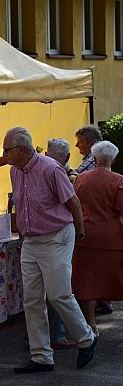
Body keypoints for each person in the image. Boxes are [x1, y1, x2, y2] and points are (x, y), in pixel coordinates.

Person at [3, 127, 97, 374]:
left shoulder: (50, 168)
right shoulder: (15, 170)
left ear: (21, 149)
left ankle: (86, 337)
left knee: (58, 294)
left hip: (56, 236)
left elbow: (73, 202)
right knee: (32, 299)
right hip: (32, 241)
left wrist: (79, 232)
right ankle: (41, 356)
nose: (4, 155)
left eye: (7, 150)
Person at [72, 140, 123, 337]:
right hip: (113, 239)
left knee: (88, 281)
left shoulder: (81, 179)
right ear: (114, 159)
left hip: (86, 237)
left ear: (94, 158)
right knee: (116, 278)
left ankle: (90, 323)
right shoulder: (119, 180)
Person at [43, 138, 77, 349]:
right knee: (59, 290)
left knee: (40, 293)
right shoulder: (57, 172)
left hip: (38, 237)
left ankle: (38, 335)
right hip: (55, 236)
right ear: (67, 157)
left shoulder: (39, 169)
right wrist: (80, 229)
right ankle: (61, 335)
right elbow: (73, 202)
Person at [74, 126, 112, 315]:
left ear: (91, 145)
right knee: (101, 268)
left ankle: (92, 319)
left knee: (90, 271)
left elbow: (75, 180)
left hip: (90, 226)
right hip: (104, 229)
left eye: (80, 142)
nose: (77, 145)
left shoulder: (88, 169)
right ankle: (102, 301)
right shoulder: (116, 179)